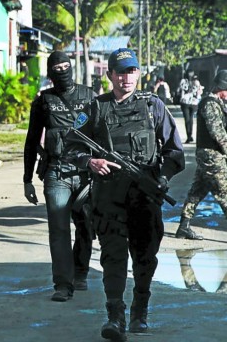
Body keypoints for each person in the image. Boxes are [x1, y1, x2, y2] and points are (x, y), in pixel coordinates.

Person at [66, 48, 185, 341]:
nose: (125, 78)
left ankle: (140, 310)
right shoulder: (95, 108)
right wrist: (90, 162)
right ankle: (115, 316)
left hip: (145, 197)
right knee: (113, 257)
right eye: (120, 72)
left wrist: (163, 178)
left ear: (138, 74)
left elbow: (174, 152)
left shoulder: (153, 106)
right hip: (109, 198)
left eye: (131, 71)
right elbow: (70, 145)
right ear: (109, 75)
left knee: (145, 257)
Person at [23, 51, 96, 302]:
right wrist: (26, 179)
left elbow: (102, 134)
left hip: (87, 173)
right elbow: (32, 140)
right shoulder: (44, 100)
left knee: (86, 225)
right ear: (50, 70)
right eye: (57, 67)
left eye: (66, 66)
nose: (62, 71)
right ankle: (63, 284)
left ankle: (81, 270)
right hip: (56, 172)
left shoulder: (89, 96)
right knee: (59, 229)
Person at [175, 70, 227, 240]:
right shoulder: (210, 103)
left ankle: (184, 226)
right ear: (222, 87)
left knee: (198, 190)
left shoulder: (217, 103)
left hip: (210, 154)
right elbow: (217, 133)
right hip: (212, 155)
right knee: (224, 192)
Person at [177, 71, 203, 143]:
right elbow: (200, 91)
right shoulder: (196, 82)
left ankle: (189, 135)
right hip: (194, 102)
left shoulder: (183, 81)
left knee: (187, 119)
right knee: (190, 119)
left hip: (185, 102)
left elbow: (179, 89)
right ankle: (189, 135)